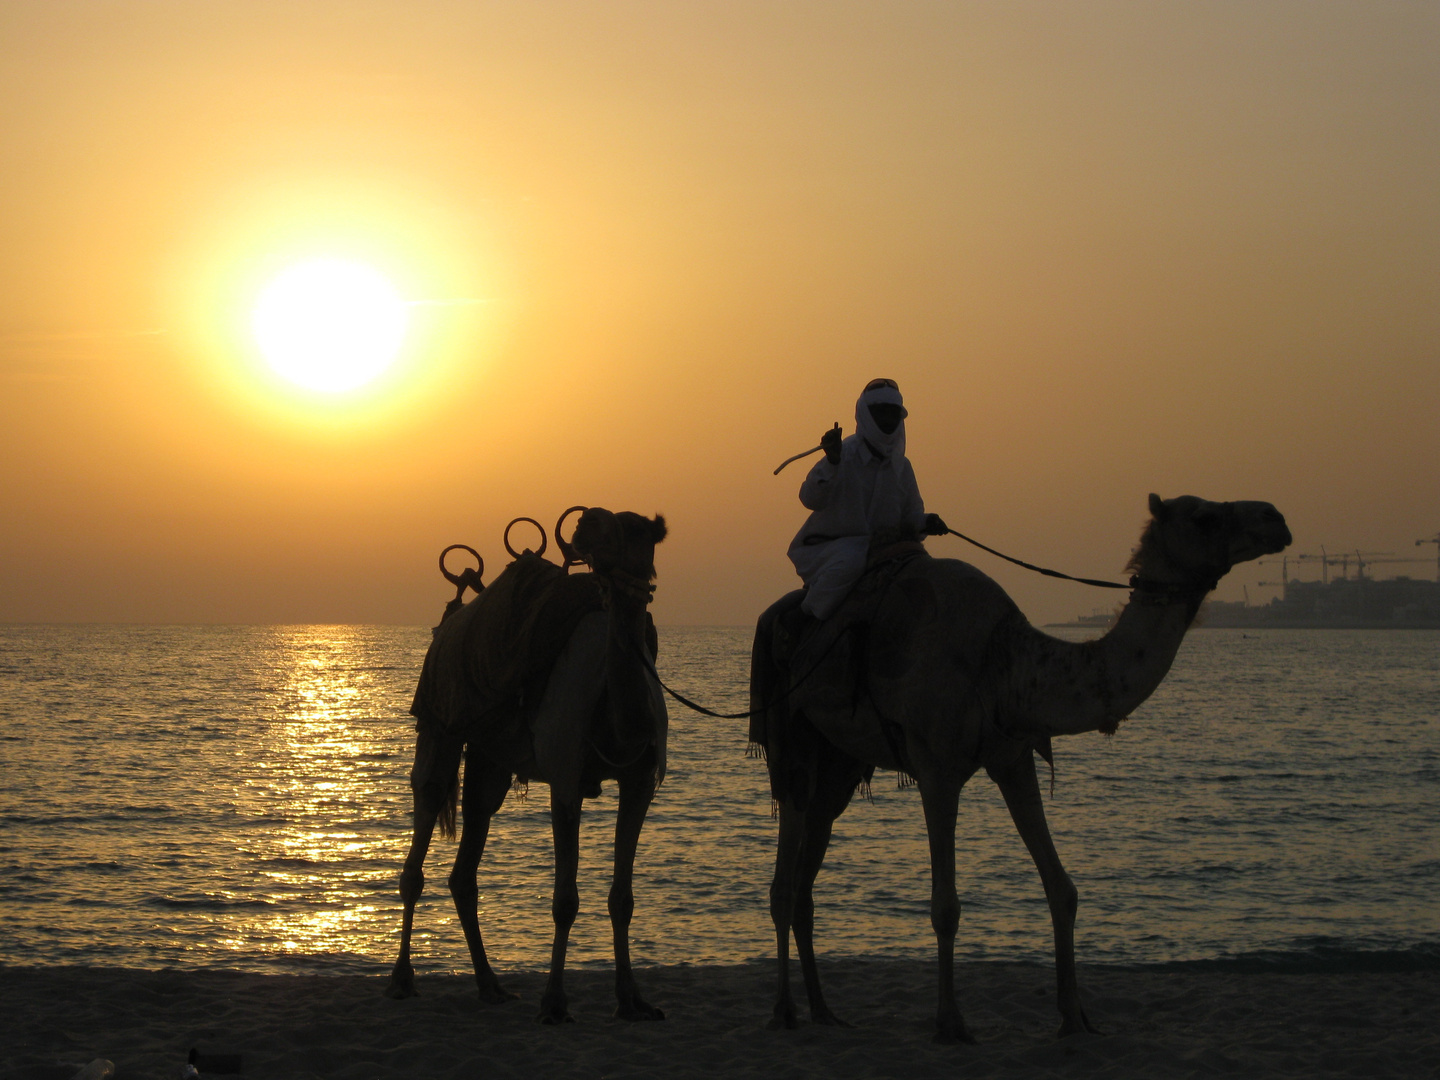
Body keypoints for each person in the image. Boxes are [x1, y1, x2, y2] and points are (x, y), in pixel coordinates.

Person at [786, 378, 947, 622]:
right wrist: (832, 463)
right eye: (880, 412)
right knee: (852, 560)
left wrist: (926, 522)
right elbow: (810, 499)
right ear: (866, 415)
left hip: (885, 550)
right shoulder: (843, 455)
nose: (887, 420)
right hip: (833, 549)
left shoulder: (902, 468)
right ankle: (807, 619)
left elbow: (910, 516)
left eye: (893, 413)